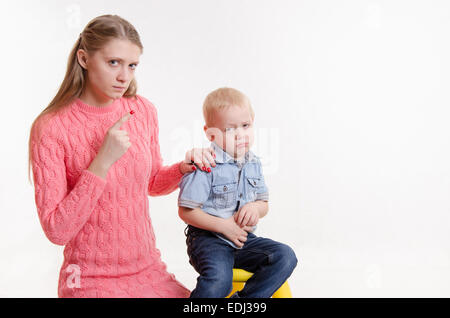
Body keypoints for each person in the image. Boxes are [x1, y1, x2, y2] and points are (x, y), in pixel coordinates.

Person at [27, 14, 216, 298]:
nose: (123, 76)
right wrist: (102, 161)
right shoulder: (51, 127)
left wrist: (183, 168)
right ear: (83, 58)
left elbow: (151, 182)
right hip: (88, 279)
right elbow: (57, 230)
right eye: (113, 62)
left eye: (132, 66)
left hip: (148, 271)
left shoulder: (142, 111)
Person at [178, 87, 298, 298]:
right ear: (210, 133)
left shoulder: (254, 163)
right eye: (230, 129)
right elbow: (186, 212)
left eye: (245, 125)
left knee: (285, 256)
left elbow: (263, 203)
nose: (240, 135)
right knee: (219, 282)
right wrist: (223, 226)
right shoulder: (206, 163)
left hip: (243, 241)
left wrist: (255, 208)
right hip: (208, 240)